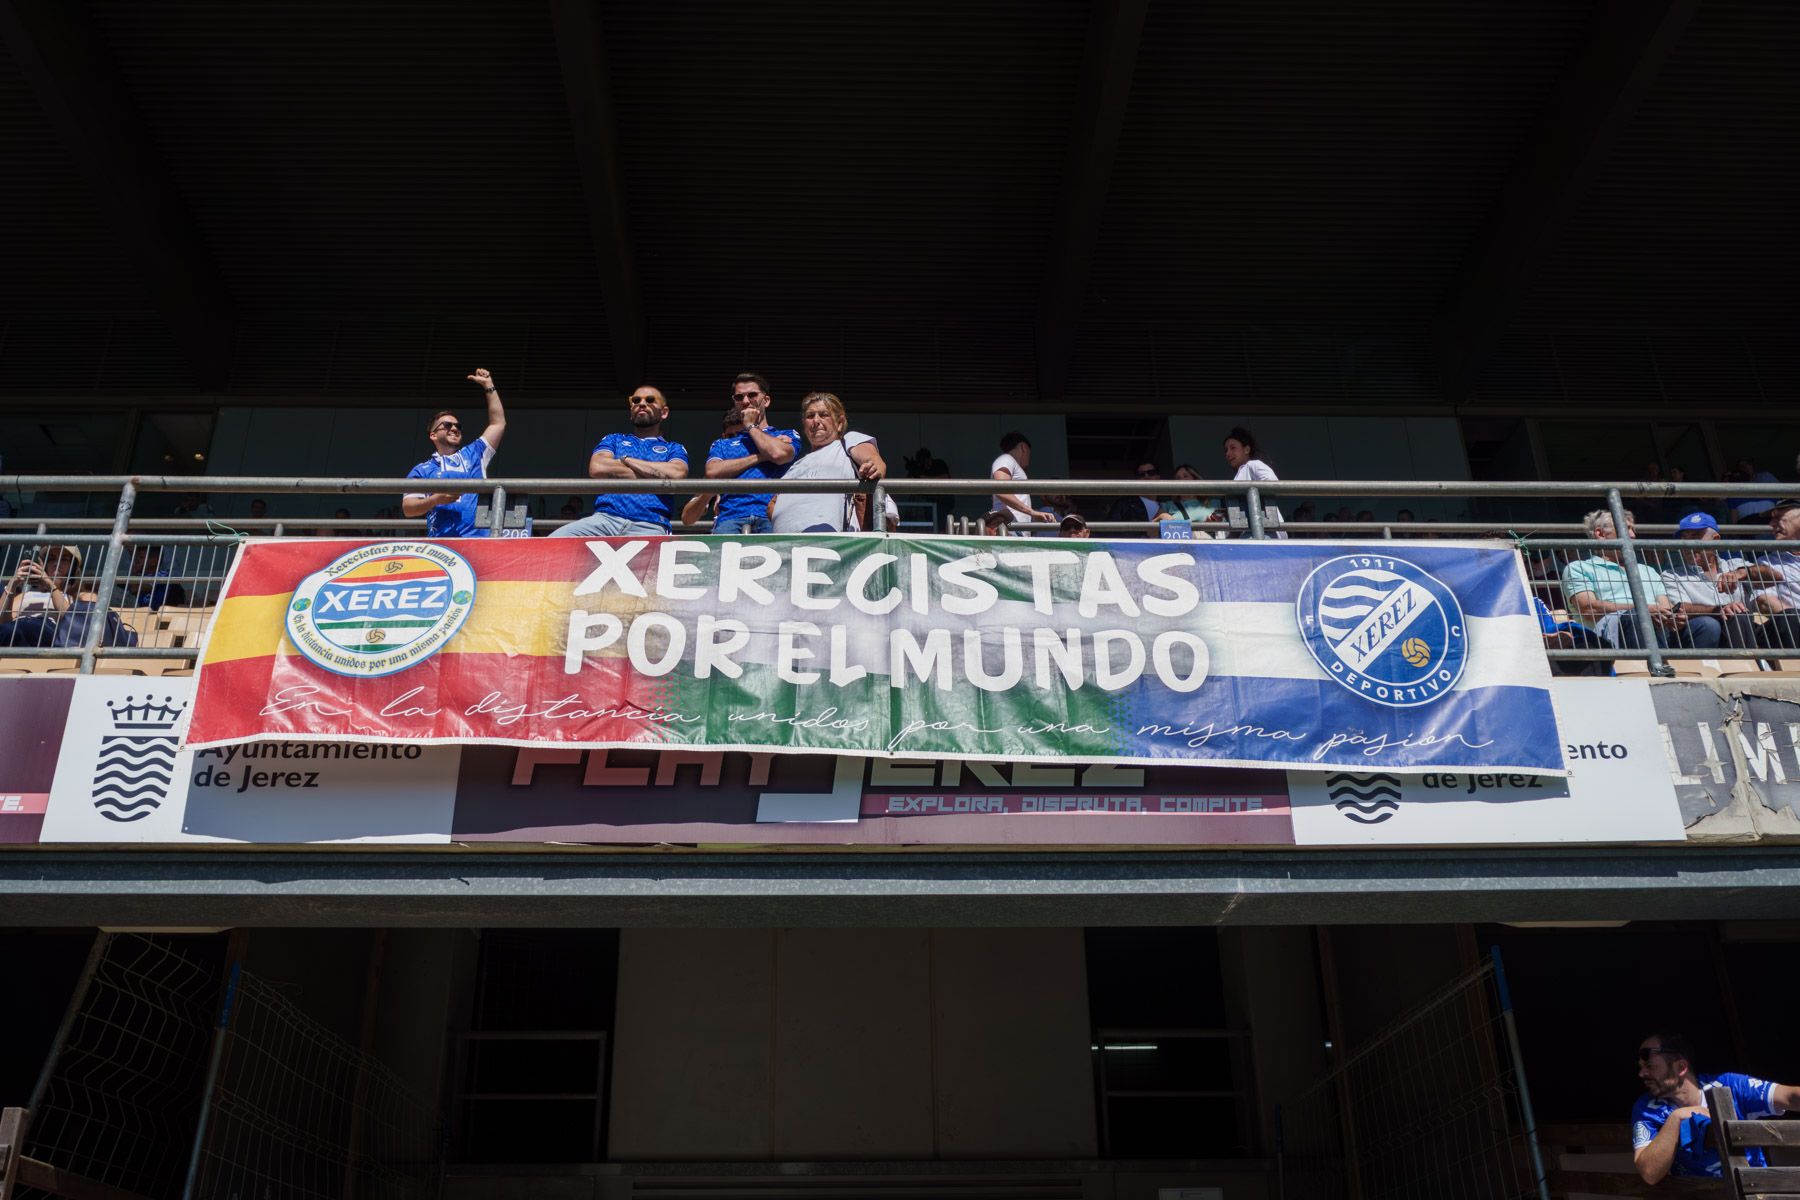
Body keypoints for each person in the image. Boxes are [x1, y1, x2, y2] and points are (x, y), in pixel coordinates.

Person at [1631, 1031, 1800, 1182]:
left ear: (1681, 1067)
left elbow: (1789, 1096)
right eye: (1641, 1067)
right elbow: (1649, 1173)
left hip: (1756, 1191)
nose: (1642, 1074)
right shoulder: (1646, 1108)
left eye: (1650, 1066)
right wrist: (1676, 1119)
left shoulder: (1728, 1085)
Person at [552, 386, 690, 538]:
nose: (642, 404)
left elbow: (677, 475)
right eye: (636, 400)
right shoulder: (614, 439)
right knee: (552, 542)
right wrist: (654, 476)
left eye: (650, 400)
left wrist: (627, 460)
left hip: (651, 524)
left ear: (664, 412)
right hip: (605, 519)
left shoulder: (674, 448)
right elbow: (597, 468)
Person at [1559, 510, 1698, 649]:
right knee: (1635, 616)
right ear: (1600, 534)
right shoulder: (1578, 568)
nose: (1633, 535)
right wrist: (1644, 609)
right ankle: (1651, 666)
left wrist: (1673, 618)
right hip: (1609, 636)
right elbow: (1589, 609)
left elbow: (1665, 606)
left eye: (1633, 529)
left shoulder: (1648, 571)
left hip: (1657, 630)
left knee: (1706, 625)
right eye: (1626, 529)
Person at [403, 369, 509, 538]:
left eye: (457, 426)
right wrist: (435, 500)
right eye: (446, 425)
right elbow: (408, 509)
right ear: (433, 435)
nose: (454, 428)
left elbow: (498, 424)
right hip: (442, 546)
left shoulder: (474, 453)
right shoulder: (421, 469)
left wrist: (489, 386)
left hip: (480, 542)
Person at [769, 393, 884, 534]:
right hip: (784, 547)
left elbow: (874, 462)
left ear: (840, 423)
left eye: (824, 415)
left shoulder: (847, 441)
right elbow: (772, 505)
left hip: (828, 544)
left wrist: (871, 467)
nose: (816, 421)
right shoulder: (795, 465)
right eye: (810, 416)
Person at [705, 379, 801, 534]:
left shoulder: (786, 434)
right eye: (739, 397)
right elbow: (713, 472)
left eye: (752, 395)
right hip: (730, 518)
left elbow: (778, 454)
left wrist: (751, 425)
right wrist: (761, 456)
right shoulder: (723, 443)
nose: (745, 401)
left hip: (774, 516)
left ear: (766, 400)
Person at [0, 544, 135, 649]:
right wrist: (12, 584)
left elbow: (74, 622)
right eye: (51, 559)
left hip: (48, 631)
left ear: (74, 568)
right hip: (16, 630)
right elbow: (3, 620)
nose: (56, 563)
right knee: (11, 629)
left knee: (20, 628)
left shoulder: (81, 597)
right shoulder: (24, 595)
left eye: (64, 560)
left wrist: (50, 584)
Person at [1661, 512, 1757, 649]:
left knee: (1788, 617)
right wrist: (1718, 610)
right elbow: (1679, 607)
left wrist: (1743, 572)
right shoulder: (1671, 575)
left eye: (1695, 537)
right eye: (1684, 539)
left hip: (1740, 627)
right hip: (1700, 632)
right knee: (1712, 623)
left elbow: (1775, 576)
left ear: (1716, 540)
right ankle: (1745, 666)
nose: (1688, 545)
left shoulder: (1735, 564)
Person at [1720, 501, 1800, 647]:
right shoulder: (1766, 563)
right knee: (1790, 618)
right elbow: (1765, 602)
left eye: (1778, 517)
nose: (1771, 524)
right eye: (1771, 519)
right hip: (1787, 628)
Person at [1223, 427, 1285, 537]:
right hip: (1248, 533)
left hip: (1265, 532)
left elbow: (1273, 483)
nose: (1228, 453)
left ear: (1246, 449)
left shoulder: (1253, 465)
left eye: (1233, 448)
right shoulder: (1240, 473)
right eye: (1226, 450)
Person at [990, 432, 1054, 529]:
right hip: (1008, 528)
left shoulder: (1008, 461)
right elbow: (1001, 489)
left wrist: (1034, 516)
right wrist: (1032, 512)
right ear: (1023, 447)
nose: (1029, 459)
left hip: (1014, 529)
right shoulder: (1006, 458)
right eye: (1029, 453)